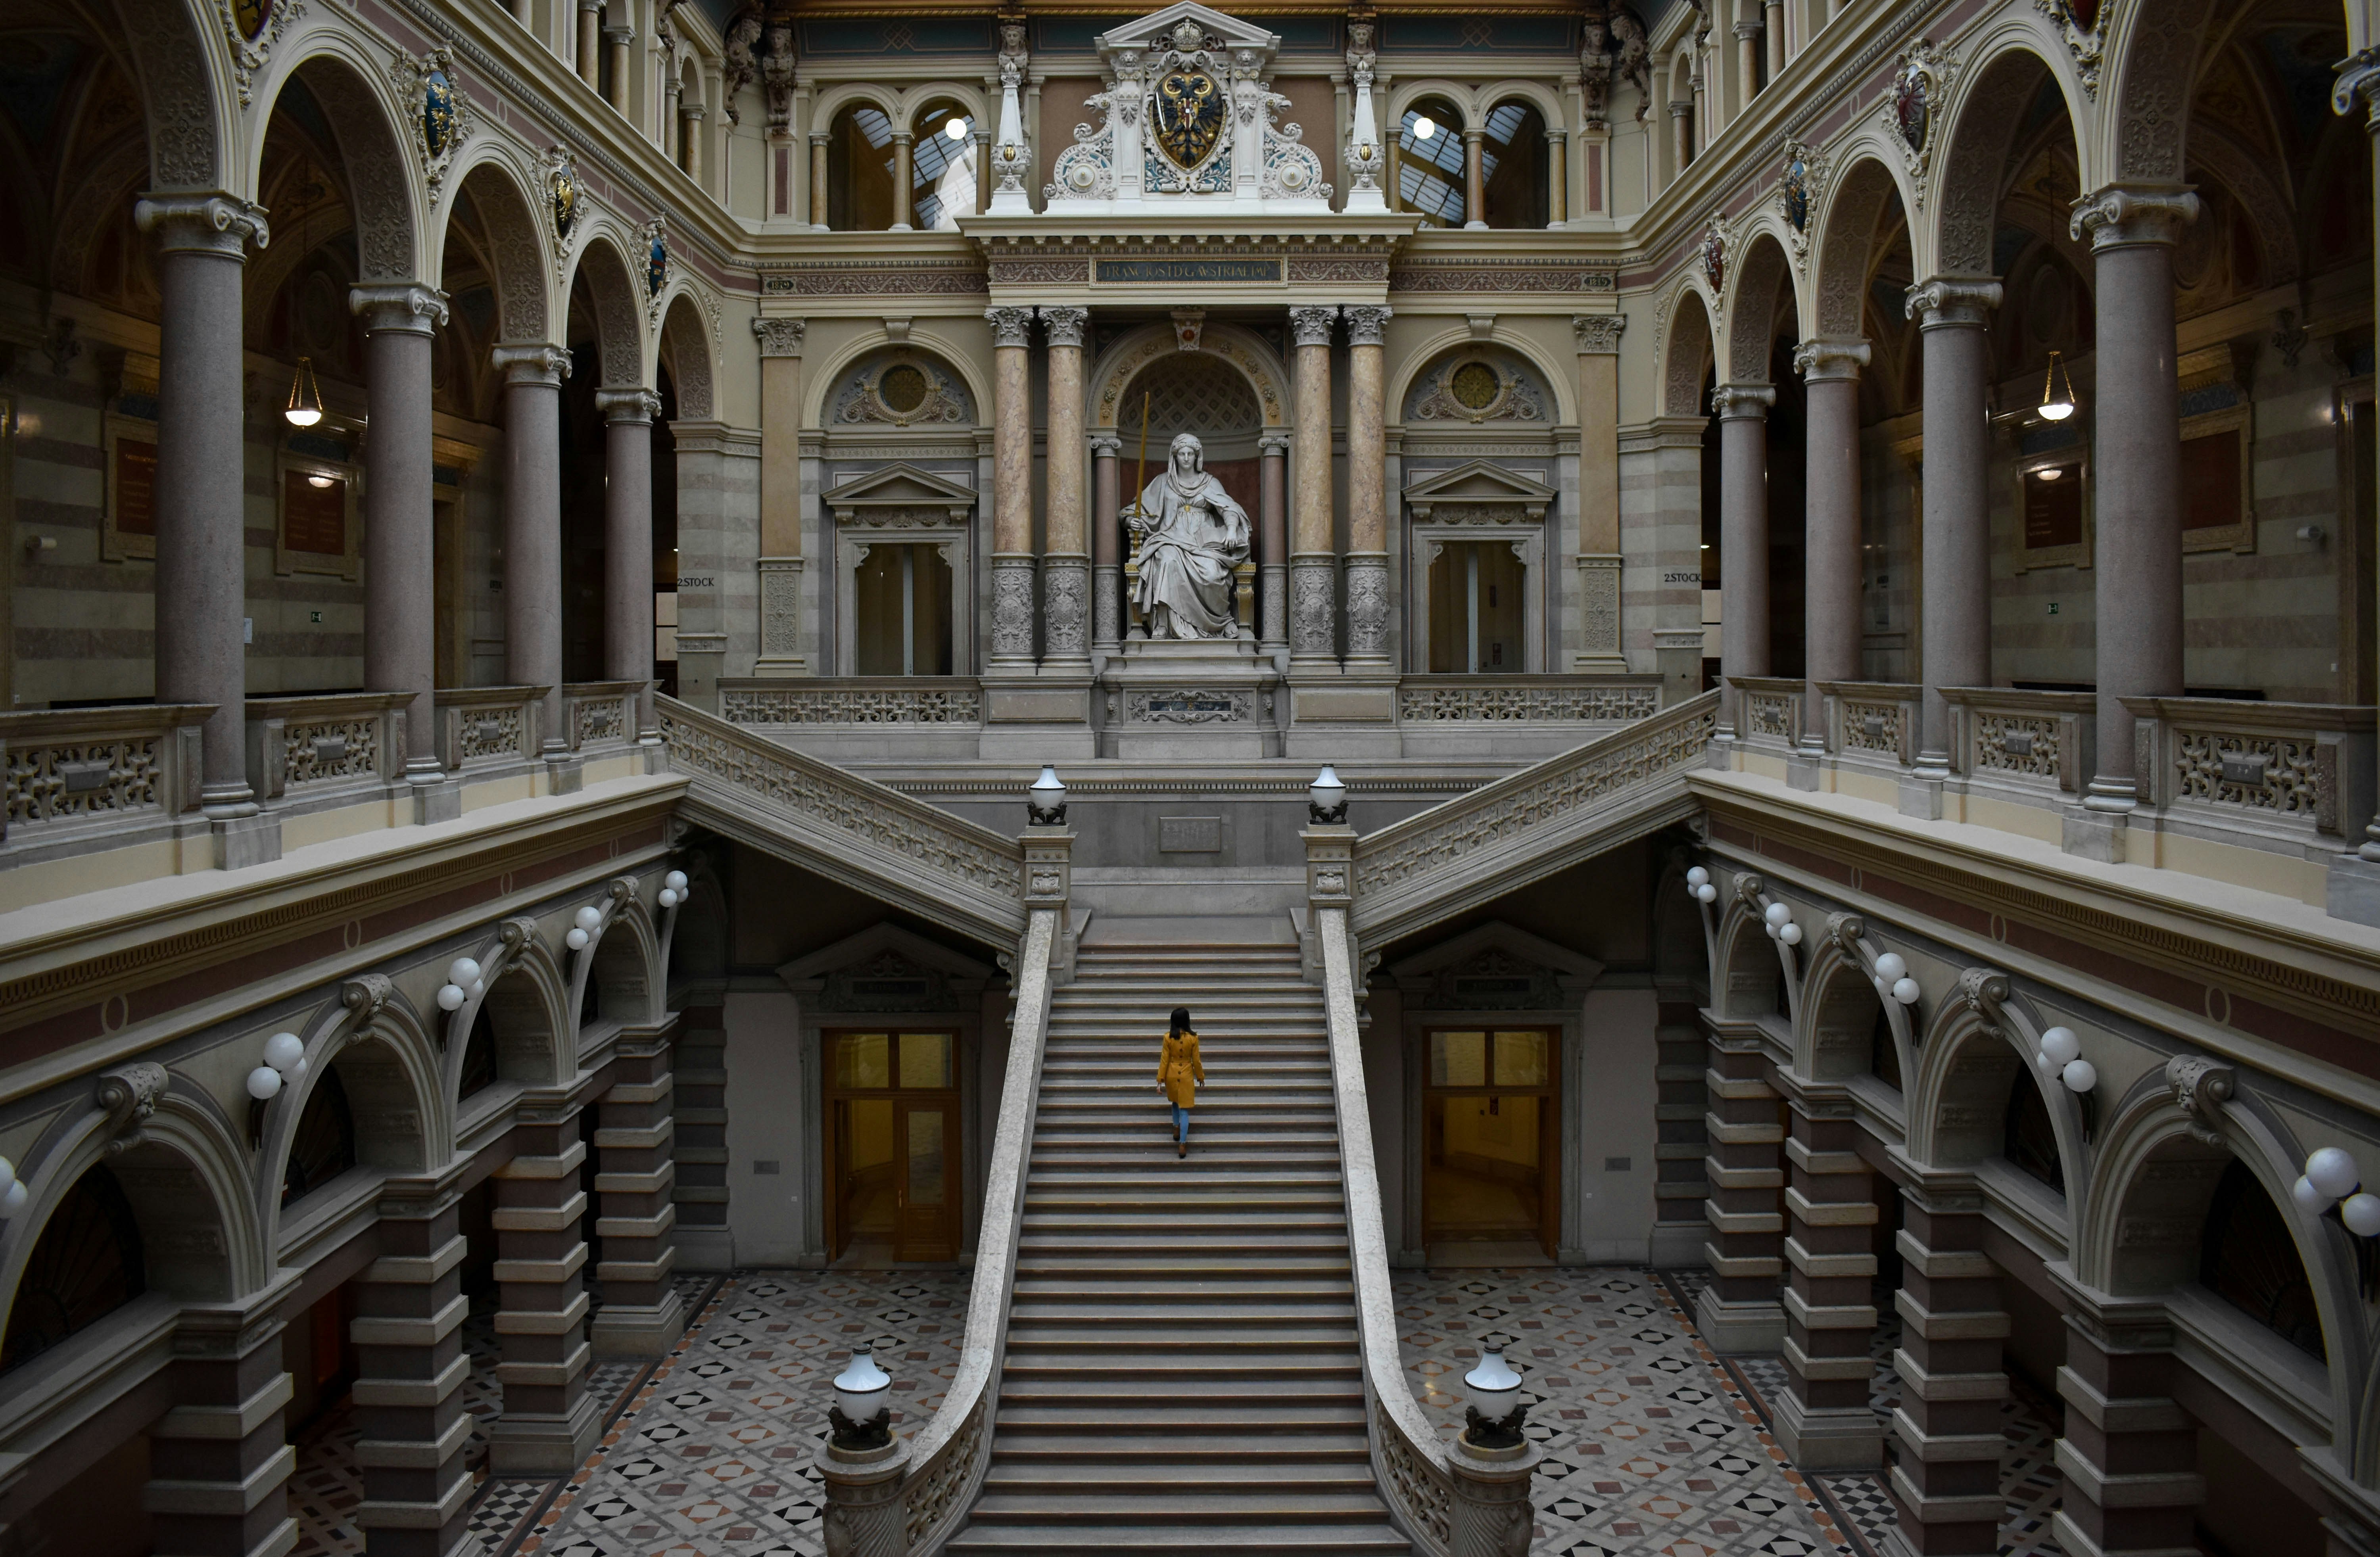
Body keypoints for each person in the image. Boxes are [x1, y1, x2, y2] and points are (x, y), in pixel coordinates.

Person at [1127, 432, 1251, 639]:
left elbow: (1230, 509)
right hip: (1170, 537)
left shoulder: (1210, 482)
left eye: (1190, 454)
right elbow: (1135, 510)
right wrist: (1132, 520)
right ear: (1175, 457)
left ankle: (1221, 621)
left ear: (1197, 457)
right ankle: (1164, 624)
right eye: (1182, 454)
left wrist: (1231, 529)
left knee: (1212, 573)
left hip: (1204, 541)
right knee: (1166, 561)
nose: (1186, 458)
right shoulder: (1163, 482)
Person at [1156, 1005, 1204, 1158]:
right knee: (1185, 1109)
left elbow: (1164, 1060)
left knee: (1175, 1102)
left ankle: (1176, 1128)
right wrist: (1201, 1077)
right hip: (1186, 1074)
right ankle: (1182, 1144)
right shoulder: (1193, 1038)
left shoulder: (1168, 1037)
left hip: (1171, 1073)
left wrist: (1160, 1080)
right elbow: (1196, 1060)